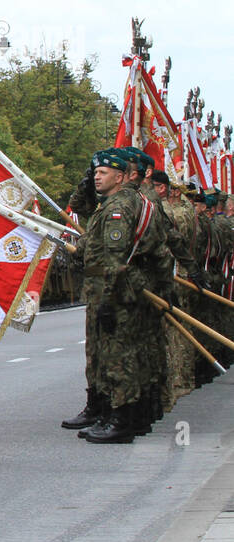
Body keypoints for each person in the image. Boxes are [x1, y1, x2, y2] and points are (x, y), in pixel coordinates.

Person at [76, 148, 169, 443]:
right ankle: (128, 415)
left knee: (119, 357)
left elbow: (116, 259)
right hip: (128, 288)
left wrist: (106, 299)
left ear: (120, 177)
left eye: (102, 173)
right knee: (128, 353)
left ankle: (122, 420)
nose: (96, 177)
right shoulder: (131, 201)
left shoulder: (119, 207)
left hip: (117, 292)